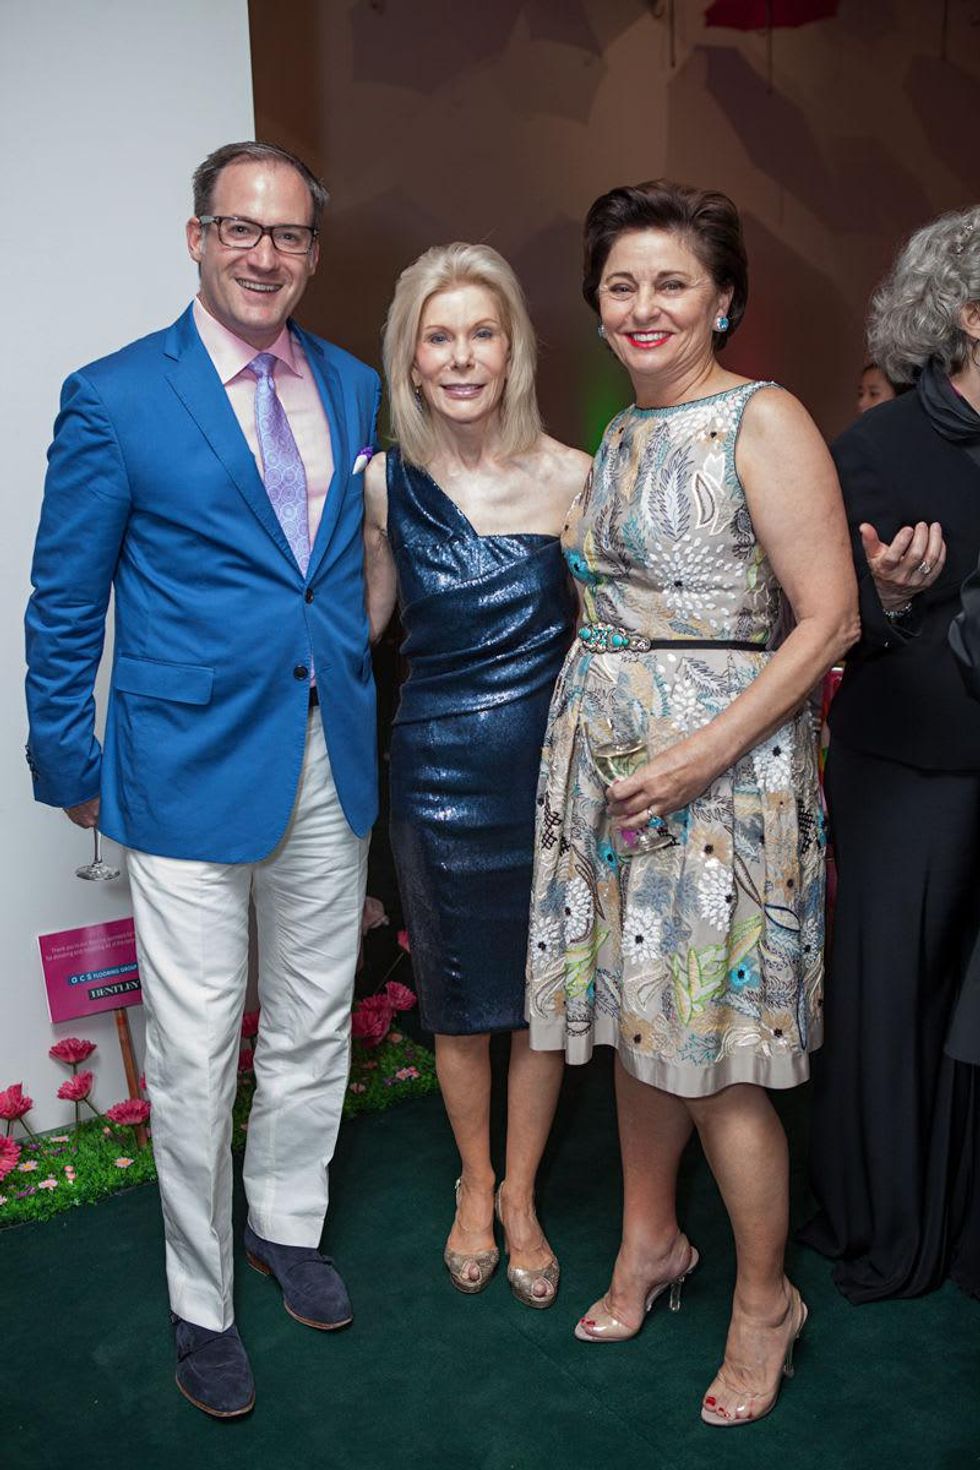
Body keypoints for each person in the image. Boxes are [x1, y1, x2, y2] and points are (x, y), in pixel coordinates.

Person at [25, 141, 381, 1418]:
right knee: (191, 1049)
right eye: (240, 229)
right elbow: (66, 601)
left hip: (328, 756)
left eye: (286, 235)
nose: (263, 254)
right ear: (195, 237)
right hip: (178, 767)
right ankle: (202, 1295)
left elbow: (332, 575)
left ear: (310, 253)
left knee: (310, 1016)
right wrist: (71, 760)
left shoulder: (351, 386)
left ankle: (288, 1223)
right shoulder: (116, 396)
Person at [525, 180, 858, 1424]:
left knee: (713, 1057)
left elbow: (827, 619)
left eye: (671, 282)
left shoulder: (759, 421)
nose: (644, 305)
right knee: (633, 1021)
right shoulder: (618, 431)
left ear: (722, 296)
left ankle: (765, 1299)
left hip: (720, 784)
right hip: (614, 781)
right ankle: (649, 1242)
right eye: (620, 285)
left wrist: (695, 753)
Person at [363, 243, 588, 1307]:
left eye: (480, 334)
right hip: (436, 775)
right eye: (438, 337)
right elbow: (357, 630)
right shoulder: (379, 486)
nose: (460, 357)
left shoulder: (575, 475)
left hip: (547, 781)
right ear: (409, 361)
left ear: (513, 349)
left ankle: (521, 1198)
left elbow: (611, 649)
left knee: (539, 1004)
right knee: (457, 1003)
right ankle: (473, 1179)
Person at [801, 206, 980, 1303]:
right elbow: (816, 616)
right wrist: (894, 596)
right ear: (968, 316)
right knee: (892, 1005)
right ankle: (885, 1220)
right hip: (910, 775)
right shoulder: (872, 447)